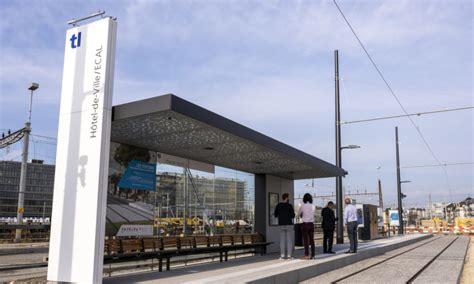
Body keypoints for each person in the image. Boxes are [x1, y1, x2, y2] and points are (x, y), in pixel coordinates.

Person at [274, 193, 295, 259]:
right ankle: (289, 256)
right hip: (288, 224)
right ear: (286, 198)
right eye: (288, 197)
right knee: (289, 240)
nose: (289, 198)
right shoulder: (290, 206)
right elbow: (293, 215)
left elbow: (275, 215)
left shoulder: (279, 205)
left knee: (282, 240)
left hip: (281, 224)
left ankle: (282, 256)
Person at [298, 193, 315, 260]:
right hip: (311, 224)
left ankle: (307, 255)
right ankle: (313, 255)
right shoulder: (313, 206)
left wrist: (302, 214)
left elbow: (298, 214)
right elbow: (313, 213)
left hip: (305, 224)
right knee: (312, 240)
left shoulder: (303, 205)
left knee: (306, 240)